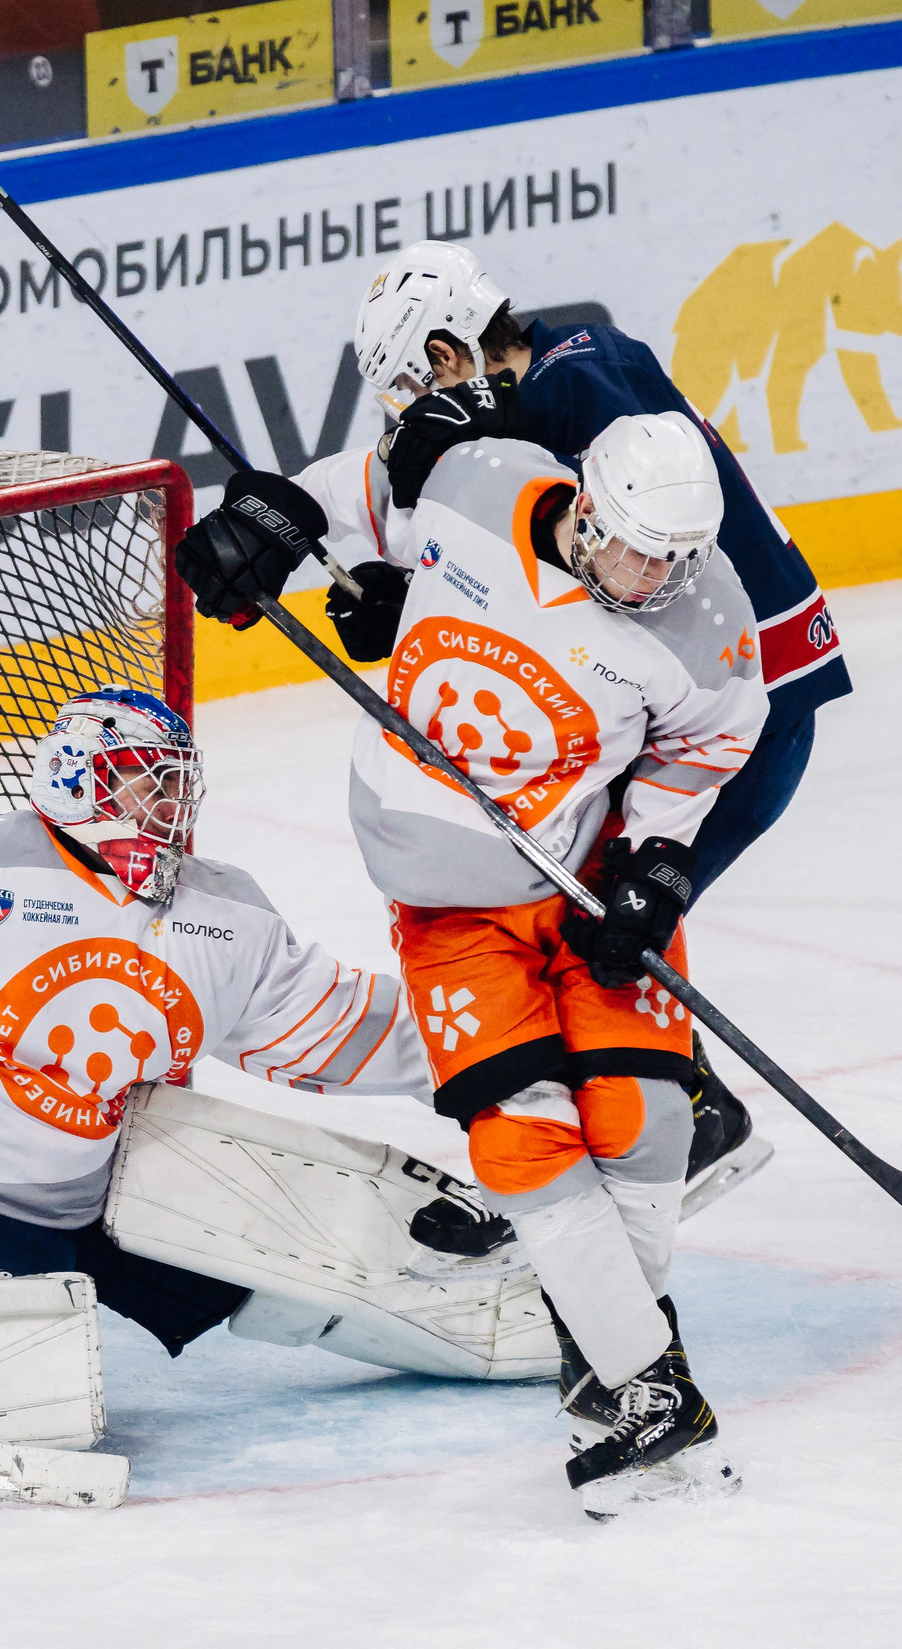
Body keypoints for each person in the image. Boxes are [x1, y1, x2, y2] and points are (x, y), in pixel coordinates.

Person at [172, 413, 764, 1516]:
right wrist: (276, 519)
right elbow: (356, 501)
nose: (655, 579)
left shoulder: (705, 616)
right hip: (449, 903)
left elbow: (707, 744)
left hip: (584, 879)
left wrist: (655, 862)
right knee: (521, 1139)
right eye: (638, 550)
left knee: (643, 1124)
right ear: (586, 506)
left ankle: (614, 1378)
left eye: (674, 559)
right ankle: (645, 1384)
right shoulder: (477, 482)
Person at [292, 239, 844, 1192]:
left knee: (598, 931)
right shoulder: (555, 387)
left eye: (417, 396)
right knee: (594, 931)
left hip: (738, 723)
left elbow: (590, 473)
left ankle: (661, 1131)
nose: (416, 423)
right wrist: (412, 593)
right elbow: (557, 575)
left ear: (446, 356)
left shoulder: (582, 372)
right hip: (722, 705)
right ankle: (641, 1129)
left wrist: (478, 415)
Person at [0, 685, 443, 1350]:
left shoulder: (220, 912)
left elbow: (330, 1021)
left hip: (108, 1203)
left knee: (290, 1282)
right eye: (150, 781)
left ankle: (451, 1317)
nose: (172, 805)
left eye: (178, 785)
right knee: (34, 1372)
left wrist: (472, 1053)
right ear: (77, 777)